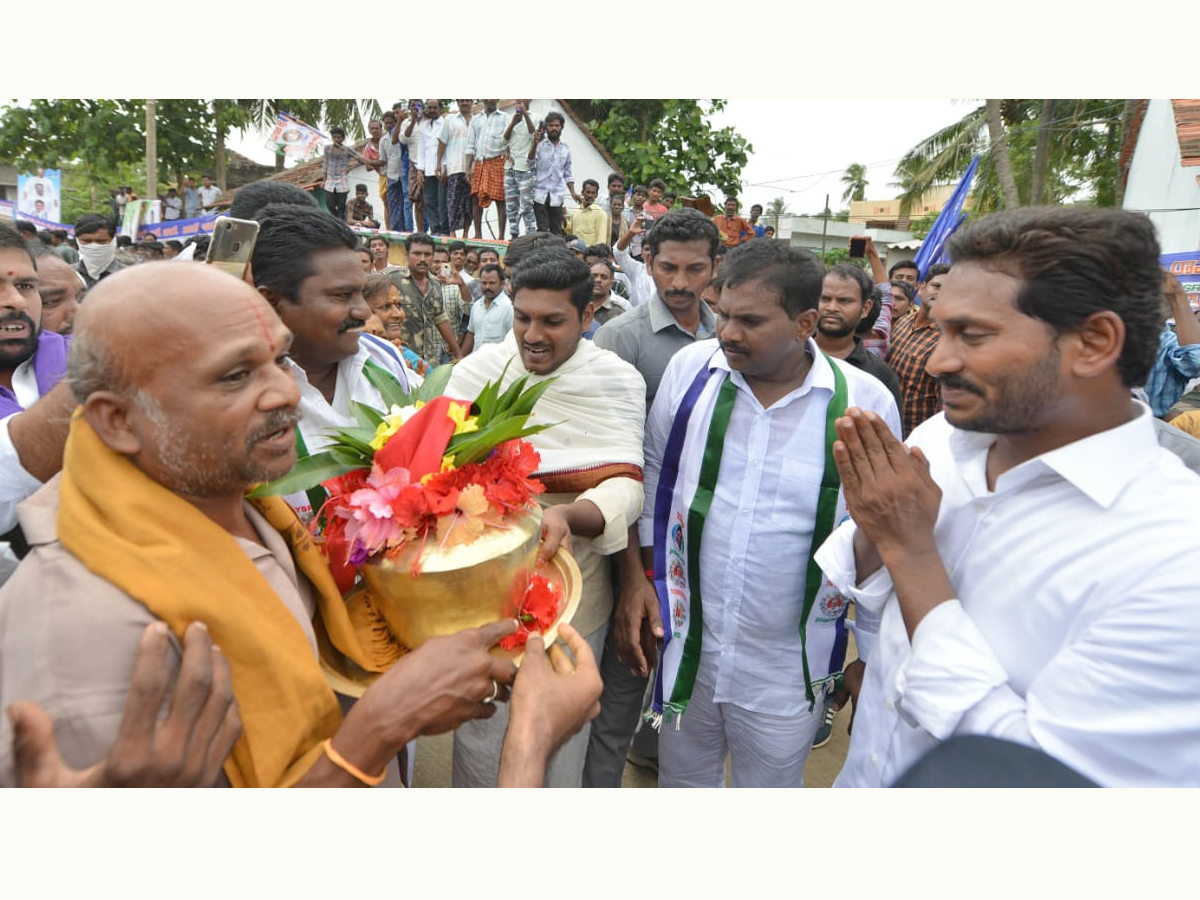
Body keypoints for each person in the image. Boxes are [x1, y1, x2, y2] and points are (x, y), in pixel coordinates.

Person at [0, 260, 599, 788]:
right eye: (235, 376)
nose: (286, 393)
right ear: (118, 421)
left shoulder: (257, 511)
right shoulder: (80, 628)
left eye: (279, 358)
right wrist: (512, 742)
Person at [816, 206, 1200, 788]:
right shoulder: (944, 437)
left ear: (1094, 342)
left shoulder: (1174, 558)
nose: (939, 360)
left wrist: (914, 556)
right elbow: (857, 570)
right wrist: (879, 525)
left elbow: (1032, 778)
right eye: (939, 328)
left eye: (972, 334)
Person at [635, 239, 899, 787]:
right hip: (690, 647)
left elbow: (880, 528)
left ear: (805, 323)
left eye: (750, 320)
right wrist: (644, 576)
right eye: (724, 314)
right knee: (683, 787)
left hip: (786, 667)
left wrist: (870, 648)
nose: (728, 332)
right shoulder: (691, 371)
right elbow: (658, 468)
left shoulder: (864, 403)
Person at [446, 245, 646, 788]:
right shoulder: (478, 371)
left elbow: (626, 485)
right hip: (484, 584)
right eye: (523, 318)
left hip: (576, 588)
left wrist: (572, 516)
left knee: (562, 728)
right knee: (484, 732)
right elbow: (437, 470)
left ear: (587, 316)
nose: (533, 335)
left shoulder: (617, 379)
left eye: (552, 321)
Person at [586, 208, 722, 786]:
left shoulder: (727, 332)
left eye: (695, 268)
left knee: (680, 670)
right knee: (624, 676)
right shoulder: (622, 336)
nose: (681, 281)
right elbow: (612, 451)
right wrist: (632, 563)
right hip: (637, 537)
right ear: (647, 260)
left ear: (715, 267)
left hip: (699, 538)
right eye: (668, 266)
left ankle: (656, 752)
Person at [249, 204, 414, 527]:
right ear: (271, 302)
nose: (364, 312)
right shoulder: (243, 403)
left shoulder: (382, 358)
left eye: (361, 293)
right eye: (342, 296)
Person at [816, 264, 903, 410]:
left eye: (844, 301)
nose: (832, 307)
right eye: (824, 299)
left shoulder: (880, 375)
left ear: (865, 309)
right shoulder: (787, 361)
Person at [886, 263, 949, 436]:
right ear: (921, 288)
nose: (941, 293)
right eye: (936, 286)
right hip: (886, 423)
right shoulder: (902, 323)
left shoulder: (947, 341)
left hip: (915, 436)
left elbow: (943, 406)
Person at [394, 232, 462, 364]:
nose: (423, 259)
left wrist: (458, 353)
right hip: (400, 358)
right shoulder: (391, 279)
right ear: (406, 254)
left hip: (429, 360)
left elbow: (440, 318)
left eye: (427, 254)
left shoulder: (435, 284)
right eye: (417, 254)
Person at [1142, 273, 1200, 417]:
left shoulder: (1170, 343)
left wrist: (1177, 295)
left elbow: (1196, 361)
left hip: (1154, 428)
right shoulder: (1111, 337)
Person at [529, 111, 580, 236]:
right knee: (542, 230)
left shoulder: (565, 149)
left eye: (557, 126)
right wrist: (534, 144)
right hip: (540, 195)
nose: (554, 128)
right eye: (551, 125)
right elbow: (530, 162)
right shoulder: (540, 146)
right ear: (546, 127)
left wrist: (573, 192)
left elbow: (567, 173)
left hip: (557, 196)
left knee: (556, 231)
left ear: (561, 127)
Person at [466, 99, 508, 241]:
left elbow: (508, 140)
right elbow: (470, 145)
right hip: (480, 162)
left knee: (501, 199)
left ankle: (501, 236)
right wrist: (468, 168)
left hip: (498, 161)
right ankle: (478, 234)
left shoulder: (505, 117)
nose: (490, 100)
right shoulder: (476, 120)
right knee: (475, 197)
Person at [437, 100, 474, 239]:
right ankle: (452, 232)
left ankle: (465, 233)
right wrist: (439, 163)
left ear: (471, 102)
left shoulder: (477, 120)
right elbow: (442, 143)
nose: (464, 102)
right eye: (461, 100)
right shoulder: (450, 120)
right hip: (454, 166)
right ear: (458, 102)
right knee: (453, 201)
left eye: (467, 100)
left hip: (472, 169)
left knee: (469, 203)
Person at [504, 100, 538, 240]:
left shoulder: (536, 116)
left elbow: (533, 134)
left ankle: (530, 234)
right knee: (511, 204)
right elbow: (504, 139)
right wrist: (513, 123)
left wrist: (525, 114)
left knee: (526, 204)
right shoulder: (509, 117)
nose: (520, 100)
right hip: (510, 166)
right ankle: (514, 234)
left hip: (525, 168)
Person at [460, 263, 512, 355]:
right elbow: (471, 333)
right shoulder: (476, 306)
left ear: (502, 284)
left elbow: (513, 341)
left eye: (492, 283)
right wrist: (460, 358)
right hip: (477, 363)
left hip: (498, 365)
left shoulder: (509, 308)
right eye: (484, 283)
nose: (487, 287)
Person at [321, 128, 371, 223]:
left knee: (341, 205)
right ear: (332, 138)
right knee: (329, 202)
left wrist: (351, 167)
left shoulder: (347, 150)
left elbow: (360, 159)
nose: (336, 139)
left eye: (339, 137)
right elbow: (325, 164)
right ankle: (337, 219)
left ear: (342, 138)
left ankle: (340, 222)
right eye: (334, 137)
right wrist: (324, 180)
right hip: (330, 180)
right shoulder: (327, 149)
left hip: (342, 180)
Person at [73, 214, 125, 289]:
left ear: (113, 241)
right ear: (77, 241)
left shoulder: (130, 276)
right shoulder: (66, 275)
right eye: (87, 241)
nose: (94, 246)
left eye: (101, 241)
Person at [584, 260, 630, 337]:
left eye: (604, 277)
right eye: (594, 276)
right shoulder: (577, 306)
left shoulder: (620, 313)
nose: (598, 280)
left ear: (611, 283)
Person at [566, 179, 611, 250]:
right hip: (574, 252)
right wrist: (563, 218)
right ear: (582, 193)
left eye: (593, 193)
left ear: (596, 195)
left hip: (589, 254)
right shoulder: (576, 211)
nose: (590, 195)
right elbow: (570, 231)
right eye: (588, 192)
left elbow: (601, 240)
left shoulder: (601, 213)